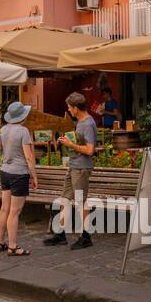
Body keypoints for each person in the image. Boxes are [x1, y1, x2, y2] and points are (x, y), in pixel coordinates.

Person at [46, 92, 98, 250]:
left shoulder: (88, 123)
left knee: (81, 202)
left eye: (69, 107)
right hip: (74, 166)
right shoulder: (80, 122)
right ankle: (60, 234)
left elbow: (90, 150)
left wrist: (70, 145)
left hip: (81, 168)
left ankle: (86, 236)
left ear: (76, 108)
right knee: (65, 200)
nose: (68, 110)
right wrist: (67, 142)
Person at [0, 101, 38, 256]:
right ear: (23, 116)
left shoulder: (3, 129)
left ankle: (0, 242)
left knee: (4, 208)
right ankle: (12, 246)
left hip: (4, 171)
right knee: (14, 212)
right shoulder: (23, 131)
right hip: (19, 173)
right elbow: (29, 157)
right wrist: (34, 176)